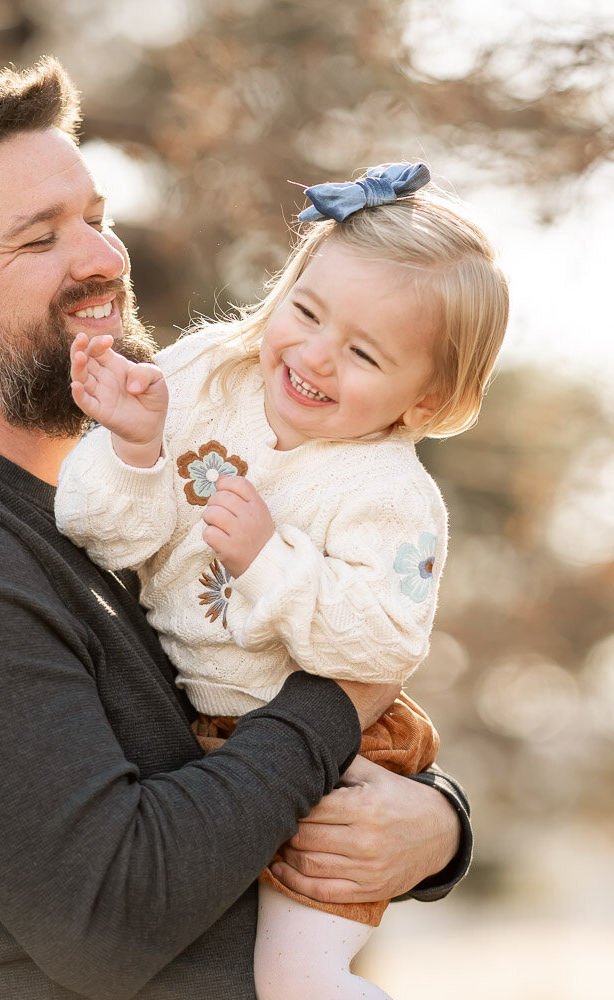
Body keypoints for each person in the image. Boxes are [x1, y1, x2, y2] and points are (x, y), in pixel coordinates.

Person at [0, 58, 471, 1000]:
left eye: (96, 217)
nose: (103, 259)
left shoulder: (117, 508)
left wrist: (437, 828)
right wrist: (341, 703)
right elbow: (109, 914)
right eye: (40, 238)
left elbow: (230, 738)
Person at [55, 162, 508, 1000]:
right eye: (306, 311)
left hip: (342, 753)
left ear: (424, 398)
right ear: (288, 283)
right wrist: (135, 448)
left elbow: (386, 642)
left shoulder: (390, 493)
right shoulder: (204, 377)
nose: (315, 356)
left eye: (365, 353)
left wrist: (271, 565)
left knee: (297, 980)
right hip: (200, 734)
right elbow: (102, 534)